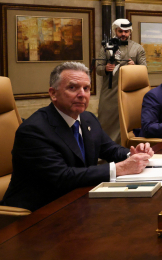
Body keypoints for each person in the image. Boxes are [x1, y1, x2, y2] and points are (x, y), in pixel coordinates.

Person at [1, 62, 153, 212]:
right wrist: (119, 168)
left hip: (76, 202)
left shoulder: (87, 118)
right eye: (72, 88)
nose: (82, 94)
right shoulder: (34, 130)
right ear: (53, 93)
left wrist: (132, 153)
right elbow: (62, 177)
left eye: (86, 88)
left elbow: (109, 149)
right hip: (36, 214)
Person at [96, 19, 146, 143]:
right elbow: (98, 69)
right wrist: (106, 68)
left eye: (126, 31)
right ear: (115, 31)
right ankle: (106, 152)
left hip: (131, 93)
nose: (123, 34)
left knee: (130, 121)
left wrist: (135, 67)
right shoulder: (105, 48)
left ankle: (127, 149)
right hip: (110, 92)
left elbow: (144, 70)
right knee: (106, 120)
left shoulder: (138, 48)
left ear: (130, 32)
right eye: (120, 31)